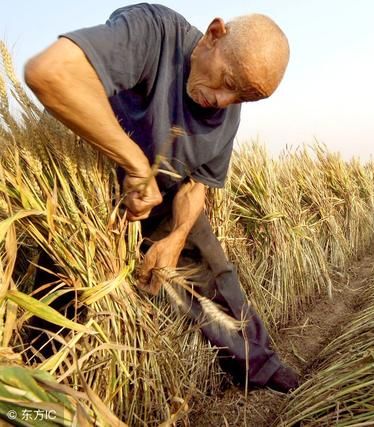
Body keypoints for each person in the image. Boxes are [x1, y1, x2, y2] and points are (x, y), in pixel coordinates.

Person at [23, 3, 298, 392]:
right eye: (226, 80)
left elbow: (196, 186)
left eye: (242, 97)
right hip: (87, 188)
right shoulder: (153, 33)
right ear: (213, 34)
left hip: (163, 199)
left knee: (217, 276)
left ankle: (260, 367)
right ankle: (40, 395)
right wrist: (134, 163)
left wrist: (175, 239)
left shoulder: (227, 112)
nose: (222, 100)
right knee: (62, 292)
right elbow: (50, 73)